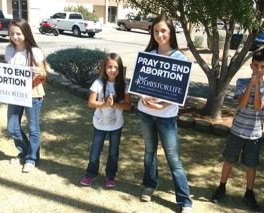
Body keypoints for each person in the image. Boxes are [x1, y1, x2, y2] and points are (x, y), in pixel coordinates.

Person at [137, 14, 192, 213]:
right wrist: (141, 97)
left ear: (170, 33)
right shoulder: (148, 54)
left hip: (167, 116)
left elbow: (180, 91)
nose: (159, 35)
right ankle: (150, 185)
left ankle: (184, 201)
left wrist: (163, 106)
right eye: (156, 31)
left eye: (164, 31)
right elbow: (140, 83)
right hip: (145, 113)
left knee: (173, 158)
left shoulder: (179, 59)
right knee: (149, 152)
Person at [211, 51, 264, 212]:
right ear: (251, 65)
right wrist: (251, 85)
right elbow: (242, 103)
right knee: (229, 160)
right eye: (256, 66)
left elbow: (257, 107)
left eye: (262, 66)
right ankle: (221, 187)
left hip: (254, 134)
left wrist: (258, 86)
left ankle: (249, 192)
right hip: (237, 130)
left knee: (251, 165)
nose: (258, 69)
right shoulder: (241, 82)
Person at [79, 53, 131, 187]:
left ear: (120, 69)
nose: (113, 70)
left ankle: (110, 176)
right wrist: (105, 104)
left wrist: (115, 105)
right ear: (104, 68)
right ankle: (90, 174)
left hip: (116, 125)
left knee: (113, 153)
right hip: (99, 123)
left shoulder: (124, 84)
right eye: (109, 67)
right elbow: (91, 103)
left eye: (116, 67)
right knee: (95, 152)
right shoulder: (98, 83)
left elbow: (128, 105)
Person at [5, 19, 47, 173]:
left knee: (33, 128)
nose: (15, 37)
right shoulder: (9, 50)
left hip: (33, 94)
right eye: (12, 34)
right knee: (12, 127)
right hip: (15, 95)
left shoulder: (35, 51)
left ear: (26, 33)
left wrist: (39, 72)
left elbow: (44, 76)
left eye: (18, 33)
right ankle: (26, 151)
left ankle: (31, 158)